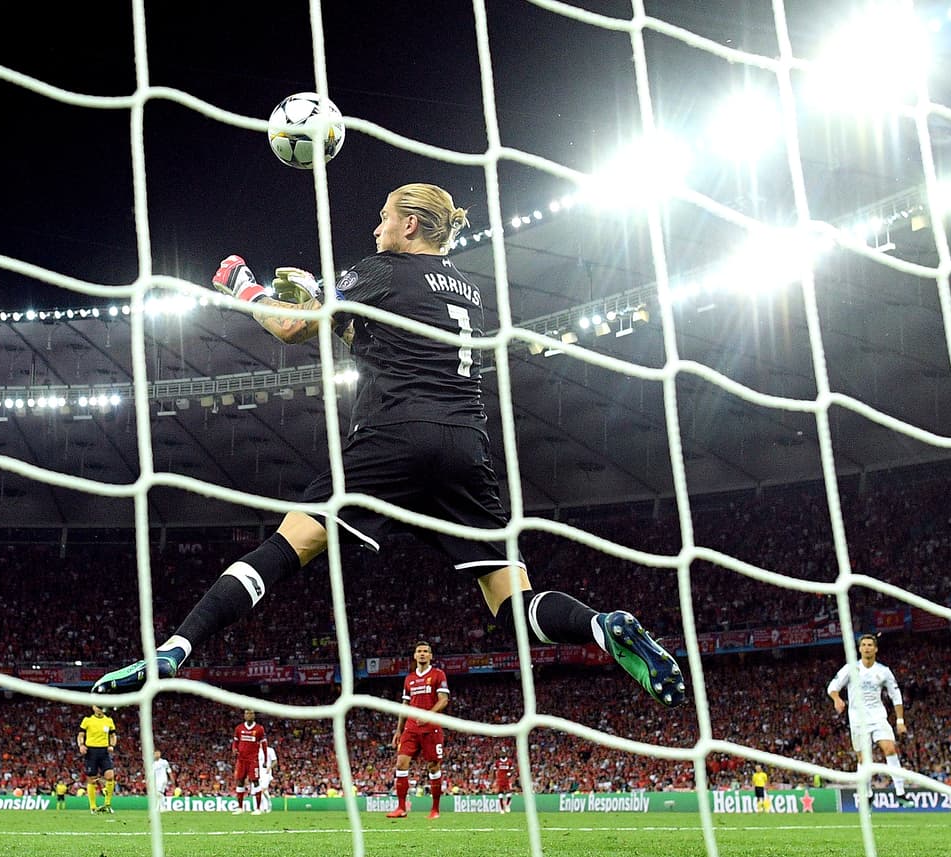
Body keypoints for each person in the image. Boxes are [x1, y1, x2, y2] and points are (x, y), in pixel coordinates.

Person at [92, 183, 685, 712]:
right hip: (465, 448)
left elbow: (293, 328)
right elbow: (383, 331)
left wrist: (245, 286)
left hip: (394, 436)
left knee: (289, 543)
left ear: (408, 225)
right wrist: (333, 311)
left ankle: (174, 650)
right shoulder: (470, 293)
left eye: (382, 219)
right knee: (513, 603)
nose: (375, 229)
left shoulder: (379, 270)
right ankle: (603, 627)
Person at [827, 633, 911, 806]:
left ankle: (901, 793)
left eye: (870, 645)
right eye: (863, 645)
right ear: (859, 649)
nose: (866, 647)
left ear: (876, 649)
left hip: (878, 716)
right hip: (858, 720)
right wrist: (837, 699)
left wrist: (900, 720)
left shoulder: (883, 671)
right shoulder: (851, 668)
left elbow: (896, 696)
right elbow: (832, 687)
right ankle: (868, 794)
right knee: (864, 760)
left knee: (889, 749)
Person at [387, 641, 449, 820]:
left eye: (425, 651)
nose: (422, 654)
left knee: (433, 767)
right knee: (401, 764)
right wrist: (399, 730)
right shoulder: (409, 679)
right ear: (415, 656)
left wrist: (429, 715)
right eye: (419, 651)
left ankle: (435, 809)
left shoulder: (438, 674)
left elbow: (443, 700)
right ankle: (401, 808)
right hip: (411, 728)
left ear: (430, 656)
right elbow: (405, 705)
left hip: (431, 728)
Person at [77, 704, 117, 814]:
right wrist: (81, 745)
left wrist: (112, 745)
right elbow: (80, 735)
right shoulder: (87, 720)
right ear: (93, 707)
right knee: (91, 779)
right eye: (97, 707)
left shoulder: (109, 721)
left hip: (104, 751)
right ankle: (93, 807)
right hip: (91, 751)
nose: (99, 709)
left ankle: (107, 804)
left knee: (110, 776)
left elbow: (113, 736)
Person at [231, 709, 268, 815]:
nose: (249, 715)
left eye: (251, 713)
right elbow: (235, 742)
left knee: (255, 781)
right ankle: (240, 808)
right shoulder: (239, 728)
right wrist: (234, 749)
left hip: (253, 760)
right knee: (240, 781)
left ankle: (257, 809)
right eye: (247, 713)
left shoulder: (259, 729)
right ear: (244, 715)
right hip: (241, 760)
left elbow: (264, 745)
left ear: (254, 716)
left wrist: (265, 760)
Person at [256, 740, 279, 813]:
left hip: (266, 773)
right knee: (262, 791)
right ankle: (269, 804)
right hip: (258, 773)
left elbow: (275, 761)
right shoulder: (256, 751)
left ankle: (264, 807)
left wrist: (270, 767)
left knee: (262, 790)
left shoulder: (270, 750)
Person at [492, 746, 516, 814]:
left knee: (509, 794)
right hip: (500, 780)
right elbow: (494, 771)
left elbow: (513, 770)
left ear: (505, 754)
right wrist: (494, 780)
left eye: (503, 753)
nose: (502, 754)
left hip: (507, 780)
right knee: (500, 795)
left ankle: (507, 805)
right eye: (501, 753)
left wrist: (510, 774)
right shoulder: (497, 762)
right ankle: (502, 809)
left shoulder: (509, 762)